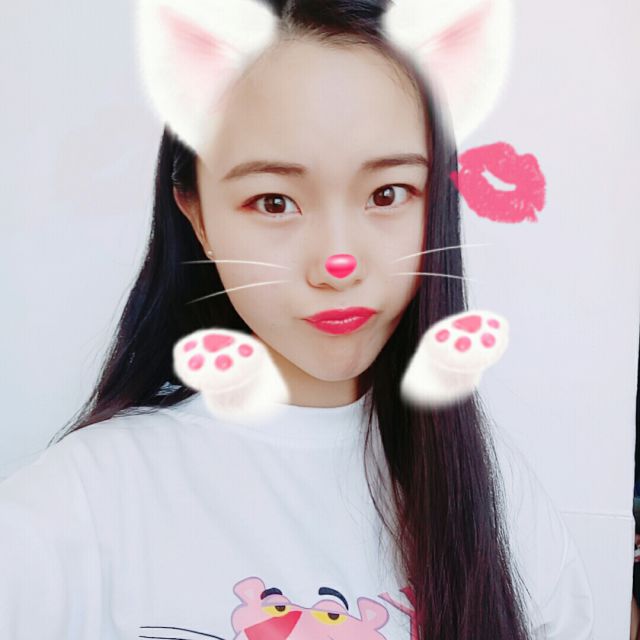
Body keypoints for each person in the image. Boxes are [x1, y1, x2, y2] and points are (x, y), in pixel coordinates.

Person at [0, 1, 594, 638]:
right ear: (197, 216)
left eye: (387, 194)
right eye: (274, 202)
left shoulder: (498, 500)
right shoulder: (77, 511)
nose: (338, 265)